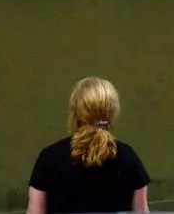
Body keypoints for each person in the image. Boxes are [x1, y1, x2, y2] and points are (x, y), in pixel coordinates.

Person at [26, 77, 151, 214]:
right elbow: (141, 211)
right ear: (113, 112)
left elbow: (35, 211)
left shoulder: (49, 158)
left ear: (75, 112)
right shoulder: (128, 157)